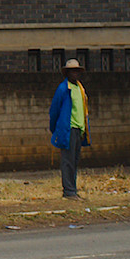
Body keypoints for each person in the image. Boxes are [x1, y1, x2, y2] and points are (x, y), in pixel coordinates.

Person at [48, 58, 89, 198]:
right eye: (72, 71)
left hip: (79, 129)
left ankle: (73, 189)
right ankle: (68, 191)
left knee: (75, 161)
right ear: (67, 73)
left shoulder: (80, 88)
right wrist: (55, 129)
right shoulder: (63, 89)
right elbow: (54, 110)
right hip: (68, 129)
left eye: (77, 71)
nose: (75, 74)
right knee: (68, 161)